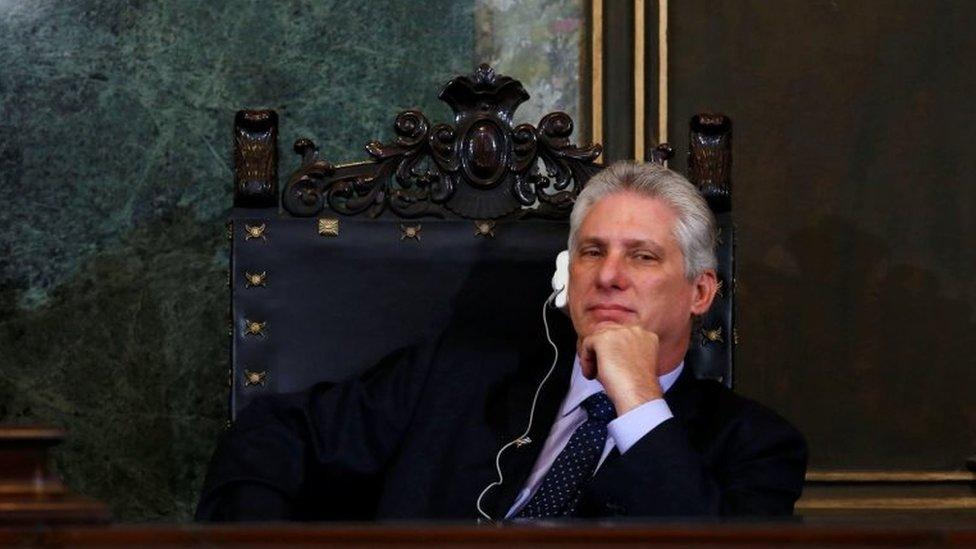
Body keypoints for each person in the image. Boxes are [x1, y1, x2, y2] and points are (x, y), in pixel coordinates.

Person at [196, 161, 807, 521]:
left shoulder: (755, 446)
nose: (610, 275)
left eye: (642, 257)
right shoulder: (457, 376)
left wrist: (637, 398)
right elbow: (272, 437)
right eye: (593, 252)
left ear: (700, 293)